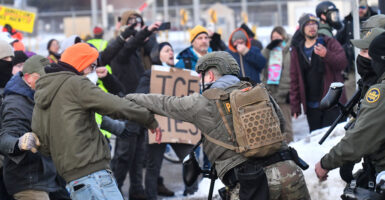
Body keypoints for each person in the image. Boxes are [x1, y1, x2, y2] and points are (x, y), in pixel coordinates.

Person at [125, 51, 310, 200]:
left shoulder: (202, 103)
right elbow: (281, 125)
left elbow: (164, 103)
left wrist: (128, 98)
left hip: (248, 184)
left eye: (201, 76)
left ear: (211, 74)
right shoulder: (258, 91)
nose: (200, 80)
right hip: (289, 172)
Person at [30, 43, 158, 200]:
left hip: (72, 179)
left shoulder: (43, 92)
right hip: (94, 175)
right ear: (81, 64)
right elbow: (116, 105)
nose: (92, 72)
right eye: (91, 67)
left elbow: (42, 143)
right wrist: (148, 118)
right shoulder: (76, 84)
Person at [315, 32, 385, 196]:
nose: (361, 57)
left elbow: (361, 137)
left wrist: (326, 163)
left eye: (366, 52)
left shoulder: (381, 91)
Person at [0, 55, 70, 200]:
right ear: (29, 77)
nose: (49, 81)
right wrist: (20, 143)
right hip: (28, 179)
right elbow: (5, 137)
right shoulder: (16, 103)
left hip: (50, 175)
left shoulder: (43, 95)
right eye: (43, 77)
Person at [109, 10, 160, 200]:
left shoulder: (139, 50)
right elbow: (129, 46)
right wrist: (143, 32)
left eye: (137, 21)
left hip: (139, 105)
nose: (134, 24)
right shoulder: (120, 47)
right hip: (125, 105)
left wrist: (147, 33)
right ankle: (115, 191)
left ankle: (137, 190)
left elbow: (151, 51)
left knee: (139, 153)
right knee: (124, 154)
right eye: (130, 21)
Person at [140, 42, 196, 199]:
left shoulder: (183, 74)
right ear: (158, 55)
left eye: (172, 49)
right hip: (158, 127)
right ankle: (151, 196)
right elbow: (140, 96)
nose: (171, 52)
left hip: (179, 127)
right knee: (153, 167)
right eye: (167, 50)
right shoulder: (149, 74)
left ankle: (194, 193)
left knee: (190, 160)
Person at [290, 13, 347, 132]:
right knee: (316, 141)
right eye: (308, 24)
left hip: (331, 103)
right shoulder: (297, 50)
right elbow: (294, 79)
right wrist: (295, 105)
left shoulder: (329, 42)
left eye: (314, 24)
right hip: (312, 106)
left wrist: (327, 54)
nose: (312, 27)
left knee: (332, 137)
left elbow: (342, 62)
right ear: (302, 28)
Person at [336, 0, 377, 99]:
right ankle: (354, 113)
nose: (360, 10)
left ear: (367, 7)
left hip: (372, 64)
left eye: (362, 8)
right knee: (349, 87)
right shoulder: (348, 21)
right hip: (352, 66)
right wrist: (346, 49)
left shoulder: (375, 19)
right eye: (357, 8)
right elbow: (337, 41)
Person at [262, 26, 293, 142]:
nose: (275, 40)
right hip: (271, 93)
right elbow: (261, 62)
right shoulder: (270, 51)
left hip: (284, 94)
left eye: (278, 37)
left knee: (286, 127)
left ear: (283, 37)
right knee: (273, 128)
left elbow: (289, 72)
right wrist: (268, 49)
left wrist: (288, 92)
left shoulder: (288, 50)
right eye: (273, 37)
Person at [0, 39, 15, 200]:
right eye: (4, 60)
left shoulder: (12, 88)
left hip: (11, 164)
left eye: (11, 59)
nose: (9, 63)